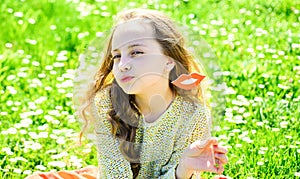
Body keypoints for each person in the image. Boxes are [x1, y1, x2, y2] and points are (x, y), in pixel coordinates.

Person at [26, 8, 228, 179]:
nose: (122, 65)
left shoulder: (193, 115)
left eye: (136, 52)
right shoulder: (107, 104)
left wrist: (183, 169)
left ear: (168, 61)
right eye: (116, 56)